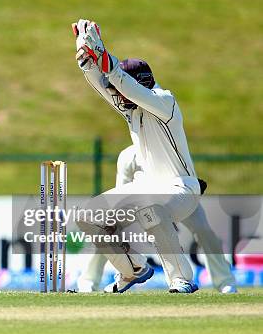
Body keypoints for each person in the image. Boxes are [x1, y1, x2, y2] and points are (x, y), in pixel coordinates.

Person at [72, 19, 203, 293]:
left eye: (120, 89)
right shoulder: (132, 109)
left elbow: (126, 87)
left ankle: (180, 279)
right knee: (87, 216)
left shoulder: (164, 102)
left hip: (181, 189)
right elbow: (108, 87)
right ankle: (133, 269)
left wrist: (106, 58)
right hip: (149, 189)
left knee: (150, 207)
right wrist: (87, 61)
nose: (117, 97)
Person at [77, 145, 238, 294]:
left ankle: (225, 282)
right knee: (107, 226)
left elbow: (188, 177)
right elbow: (119, 194)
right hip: (142, 203)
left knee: (203, 230)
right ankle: (89, 281)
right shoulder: (128, 156)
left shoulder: (169, 148)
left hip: (179, 198)